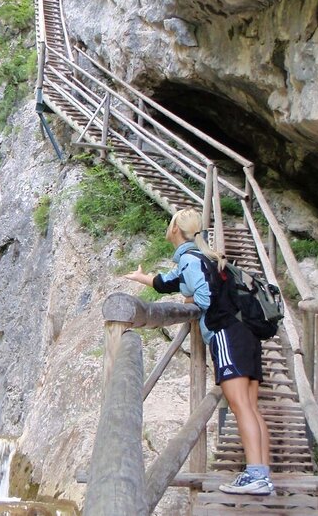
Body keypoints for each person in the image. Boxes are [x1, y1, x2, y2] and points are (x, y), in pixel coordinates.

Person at [123, 208, 273, 495]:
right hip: (246, 334)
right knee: (251, 406)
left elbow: (203, 297)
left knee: (240, 405)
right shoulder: (207, 257)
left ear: (176, 230)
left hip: (227, 334)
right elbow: (168, 282)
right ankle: (262, 474)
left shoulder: (191, 260)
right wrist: (144, 278)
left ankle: (256, 475)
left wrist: (190, 298)